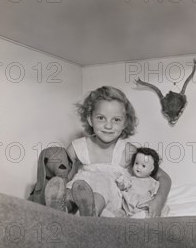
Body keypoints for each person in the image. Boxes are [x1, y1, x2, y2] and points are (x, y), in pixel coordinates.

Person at [45, 86, 171, 216]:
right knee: (72, 187)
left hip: (109, 203)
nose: (108, 125)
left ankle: (91, 211)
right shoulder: (78, 147)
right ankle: (62, 208)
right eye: (101, 118)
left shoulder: (127, 151)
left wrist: (159, 201)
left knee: (102, 181)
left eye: (116, 120)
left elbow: (164, 178)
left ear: (125, 123)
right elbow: (63, 174)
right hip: (79, 195)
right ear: (90, 119)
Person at [116, 147, 165, 218]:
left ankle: (140, 216)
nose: (138, 167)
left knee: (161, 208)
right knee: (120, 209)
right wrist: (120, 182)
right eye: (136, 163)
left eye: (143, 166)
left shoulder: (153, 182)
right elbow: (123, 187)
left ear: (152, 168)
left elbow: (155, 195)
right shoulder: (130, 179)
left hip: (143, 204)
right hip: (129, 202)